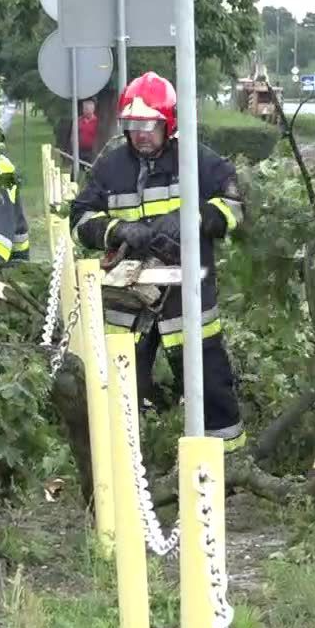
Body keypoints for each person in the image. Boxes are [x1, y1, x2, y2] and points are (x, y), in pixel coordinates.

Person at [69, 71, 247, 445]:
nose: (140, 134)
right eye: (132, 125)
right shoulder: (110, 167)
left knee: (210, 386)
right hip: (129, 301)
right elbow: (80, 219)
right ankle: (127, 463)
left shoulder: (197, 160)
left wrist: (192, 218)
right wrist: (116, 230)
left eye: (148, 125)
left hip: (187, 297)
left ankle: (227, 459)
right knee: (121, 389)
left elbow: (234, 205)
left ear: (168, 123)